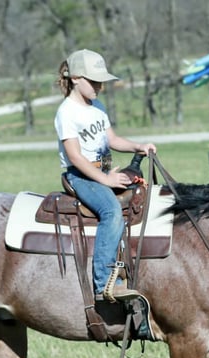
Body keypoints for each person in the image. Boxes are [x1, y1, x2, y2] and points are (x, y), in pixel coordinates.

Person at [54, 49, 156, 303]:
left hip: (102, 172)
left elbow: (112, 139)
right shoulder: (67, 112)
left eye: (101, 81)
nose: (99, 86)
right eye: (94, 81)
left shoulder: (97, 107)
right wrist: (107, 180)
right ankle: (104, 283)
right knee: (111, 211)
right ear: (75, 78)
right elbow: (75, 157)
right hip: (81, 176)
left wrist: (137, 146)